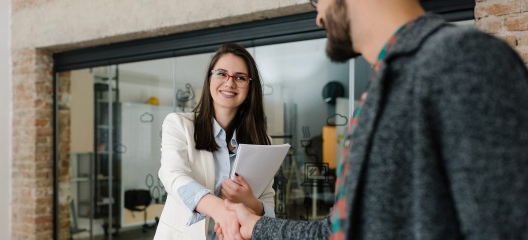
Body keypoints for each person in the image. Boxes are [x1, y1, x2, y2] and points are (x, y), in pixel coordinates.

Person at [221, 0, 528, 239]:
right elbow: (340, 232)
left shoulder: (465, 60)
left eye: (317, 1)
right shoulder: (383, 88)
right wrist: (256, 226)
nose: (318, 17)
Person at [154, 43, 275, 240]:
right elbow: (172, 175)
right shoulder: (178, 124)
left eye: (240, 77)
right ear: (209, 78)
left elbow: (269, 207)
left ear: (250, 87)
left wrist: (251, 202)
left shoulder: (263, 141)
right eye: (221, 73)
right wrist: (220, 210)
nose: (230, 83)